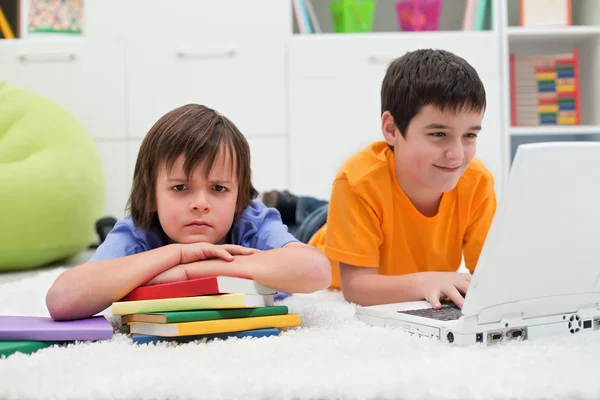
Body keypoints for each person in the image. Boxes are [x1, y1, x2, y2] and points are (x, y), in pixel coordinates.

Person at [46, 104, 332, 321]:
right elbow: (62, 299)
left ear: (238, 198)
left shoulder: (252, 221)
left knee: (316, 219)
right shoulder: (138, 231)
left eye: (218, 188)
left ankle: (286, 202)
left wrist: (188, 271)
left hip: (300, 224)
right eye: (181, 187)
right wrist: (176, 255)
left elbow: (317, 271)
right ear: (151, 196)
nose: (200, 203)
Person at [263, 49, 497, 310]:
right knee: (292, 228)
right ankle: (292, 206)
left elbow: (489, 276)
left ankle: (302, 204)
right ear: (391, 129)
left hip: (367, 218)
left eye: (470, 136)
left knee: (328, 208)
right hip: (317, 240)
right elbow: (356, 287)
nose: (457, 155)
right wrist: (424, 282)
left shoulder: (478, 182)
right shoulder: (357, 180)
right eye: (439, 134)